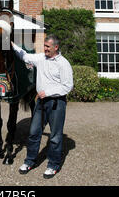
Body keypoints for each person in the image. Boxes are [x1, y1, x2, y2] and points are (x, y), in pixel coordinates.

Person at [11, 34, 73, 179]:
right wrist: (12, 45)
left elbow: (68, 86)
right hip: (41, 103)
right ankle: (30, 161)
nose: (44, 49)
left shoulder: (64, 63)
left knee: (55, 136)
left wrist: (49, 92)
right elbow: (25, 56)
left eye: (47, 47)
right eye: (44, 46)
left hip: (57, 103)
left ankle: (53, 165)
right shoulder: (41, 59)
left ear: (56, 47)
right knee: (33, 132)